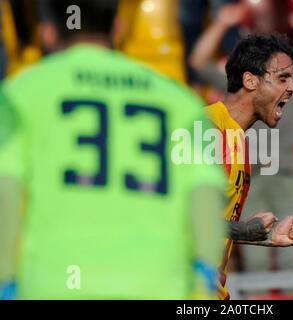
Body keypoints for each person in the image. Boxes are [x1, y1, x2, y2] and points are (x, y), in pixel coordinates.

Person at [0, 0, 227, 299]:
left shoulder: (20, 94)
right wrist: (202, 285)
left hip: (54, 286)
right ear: (118, 30)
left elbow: (6, 189)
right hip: (158, 288)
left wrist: (6, 281)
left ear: (48, 34)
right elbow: (206, 195)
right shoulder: (179, 101)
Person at [205, 34, 293, 299]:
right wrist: (245, 230)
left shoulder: (238, 138)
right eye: (283, 78)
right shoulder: (206, 130)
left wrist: (266, 235)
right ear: (250, 80)